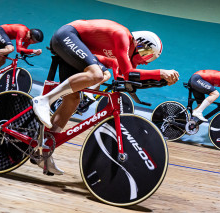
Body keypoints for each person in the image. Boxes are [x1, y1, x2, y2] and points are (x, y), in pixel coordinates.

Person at [32, 19, 179, 175]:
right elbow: (129, 73)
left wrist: (161, 80)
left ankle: (44, 150)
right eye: (148, 56)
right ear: (141, 46)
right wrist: (160, 72)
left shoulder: (120, 53)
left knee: (72, 100)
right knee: (96, 74)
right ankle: (44, 100)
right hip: (67, 35)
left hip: (72, 45)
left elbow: (125, 77)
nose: (147, 63)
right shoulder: (124, 36)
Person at [0, 24, 43, 91]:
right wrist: (33, 50)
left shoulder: (28, 39)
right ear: (31, 36)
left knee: (1, 61)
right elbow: (19, 49)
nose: (34, 43)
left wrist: (34, 52)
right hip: (1, 31)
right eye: (34, 41)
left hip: (5, 37)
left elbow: (23, 50)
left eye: (36, 42)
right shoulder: (22, 31)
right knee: (10, 49)